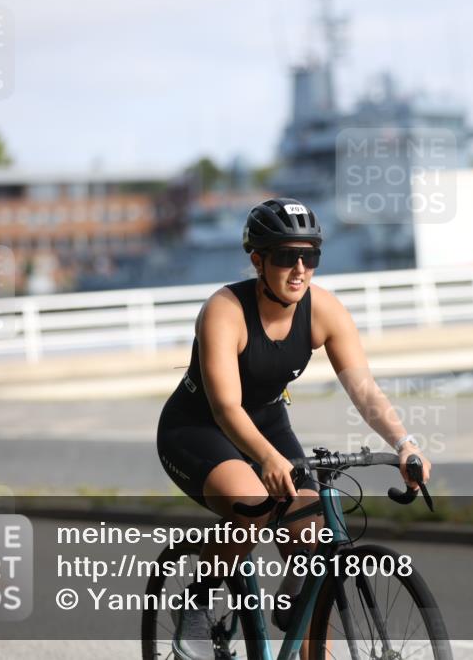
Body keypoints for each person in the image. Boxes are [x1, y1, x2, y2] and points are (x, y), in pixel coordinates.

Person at [156, 197, 432, 660]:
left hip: (268, 422)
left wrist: (404, 444)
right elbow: (225, 407)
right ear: (258, 261)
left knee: (315, 541)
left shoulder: (323, 310)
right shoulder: (224, 310)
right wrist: (265, 458)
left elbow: (364, 391)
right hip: (198, 427)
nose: (300, 269)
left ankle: (300, 609)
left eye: (311, 257)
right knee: (256, 503)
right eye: (286, 257)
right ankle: (196, 604)